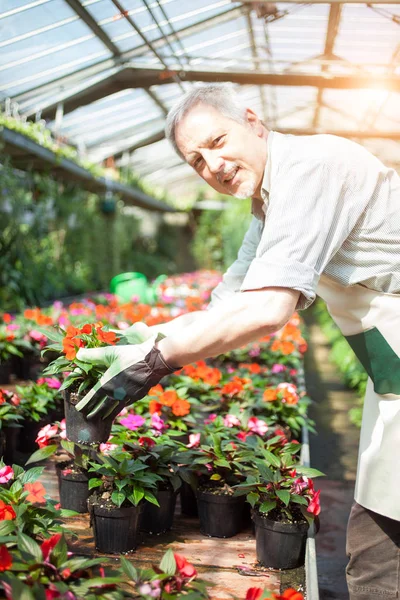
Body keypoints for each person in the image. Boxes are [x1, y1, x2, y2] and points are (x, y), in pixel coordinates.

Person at [76, 84, 400, 599]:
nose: (214, 164)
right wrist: (141, 340)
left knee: (380, 548)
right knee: (378, 542)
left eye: (218, 141)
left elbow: (268, 310)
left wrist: (154, 363)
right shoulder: (267, 201)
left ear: (254, 121)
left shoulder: (311, 167)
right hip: (391, 375)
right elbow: (229, 301)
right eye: (197, 160)